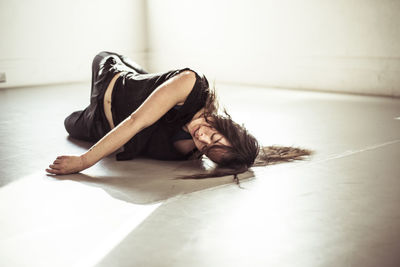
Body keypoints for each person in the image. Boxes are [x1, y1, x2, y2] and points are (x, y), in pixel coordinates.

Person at [45, 51, 311, 180]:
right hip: (111, 81)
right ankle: (150, 84)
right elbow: (137, 121)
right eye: (213, 136)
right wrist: (83, 161)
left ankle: (154, 88)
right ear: (227, 125)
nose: (201, 138)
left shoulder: (190, 151)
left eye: (205, 148)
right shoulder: (191, 84)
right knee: (107, 59)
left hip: (99, 125)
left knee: (69, 124)